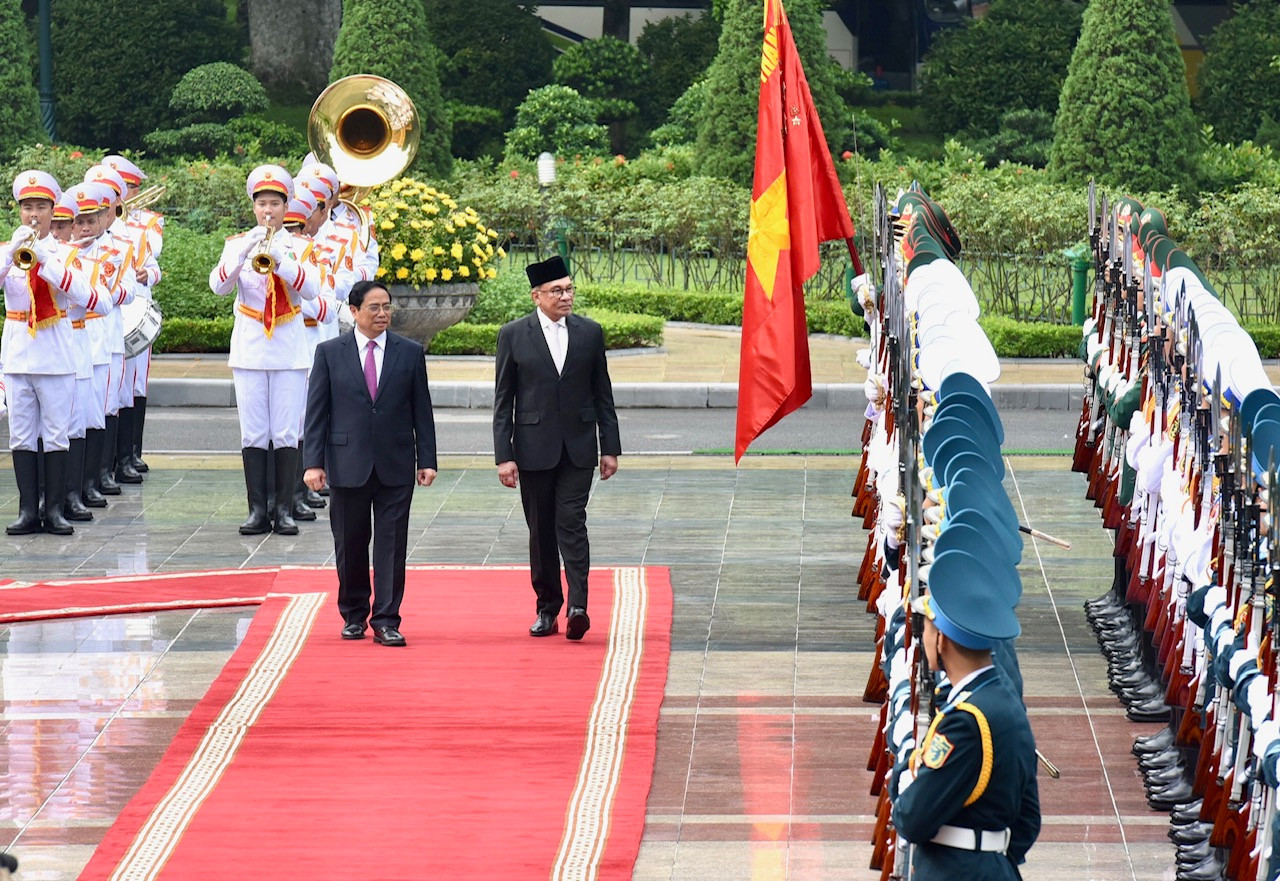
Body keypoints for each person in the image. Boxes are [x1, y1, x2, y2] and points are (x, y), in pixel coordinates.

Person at [891, 548, 1040, 880]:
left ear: (942, 640)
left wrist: (905, 765)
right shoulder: (1006, 702)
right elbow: (1028, 820)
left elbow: (911, 819)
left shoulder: (965, 722)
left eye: (926, 628)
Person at [493, 256, 621, 640]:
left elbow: (603, 394)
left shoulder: (590, 332)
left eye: (569, 289)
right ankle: (547, 607)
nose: (566, 297)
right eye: (557, 291)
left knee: (572, 522)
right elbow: (503, 401)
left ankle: (578, 606)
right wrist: (504, 456)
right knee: (541, 532)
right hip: (533, 449)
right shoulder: (513, 335)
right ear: (537, 296)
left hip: (579, 448)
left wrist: (609, 447)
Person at [303, 280, 437, 647]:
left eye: (387, 307)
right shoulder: (330, 353)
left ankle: (387, 620)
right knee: (350, 543)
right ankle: (353, 614)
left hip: (396, 462)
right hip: (347, 463)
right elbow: (316, 413)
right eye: (374, 307)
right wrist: (313, 463)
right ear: (354, 311)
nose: (382, 313)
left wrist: (427, 458)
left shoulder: (409, 353)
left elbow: (422, 410)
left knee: (392, 545)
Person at [209, 165, 320, 536]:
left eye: (274, 203)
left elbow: (312, 289)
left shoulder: (300, 246)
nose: (268, 210)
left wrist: (281, 258)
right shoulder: (237, 243)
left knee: (286, 431)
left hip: (288, 348)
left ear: (286, 207)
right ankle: (258, 509)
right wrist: (245, 250)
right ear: (253, 207)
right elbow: (218, 286)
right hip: (251, 347)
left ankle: (284, 509)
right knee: (254, 431)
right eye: (262, 204)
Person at [1, 171, 100, 535]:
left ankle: (55, 509)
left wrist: (47, 261)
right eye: (27, 207)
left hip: (55, 354)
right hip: (18, 353)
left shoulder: (67, 254)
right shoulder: (8, 250)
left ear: (52, 210)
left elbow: (92, 298)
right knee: (21, 435)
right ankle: (28, 510)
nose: (34, 215)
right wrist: (10, 255)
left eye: (41, 207)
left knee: (56, 434)